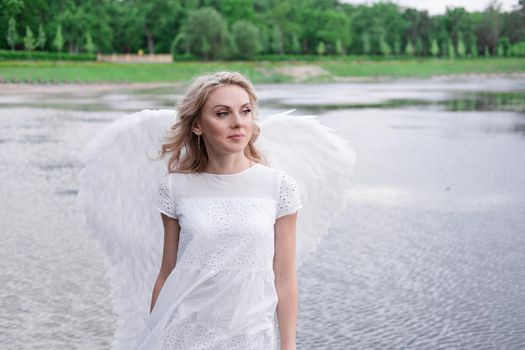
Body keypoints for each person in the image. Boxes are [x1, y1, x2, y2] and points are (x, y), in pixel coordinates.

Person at [135, 71, 302, 349]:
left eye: (245, 111)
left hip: (251, 336)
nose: (238, 122)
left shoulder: (278, 186)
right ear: (198, 125)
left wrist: (289, 346)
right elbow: (167, 273)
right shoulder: (176, 188)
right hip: (184, 334)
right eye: (223, 113)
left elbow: (284, 278)